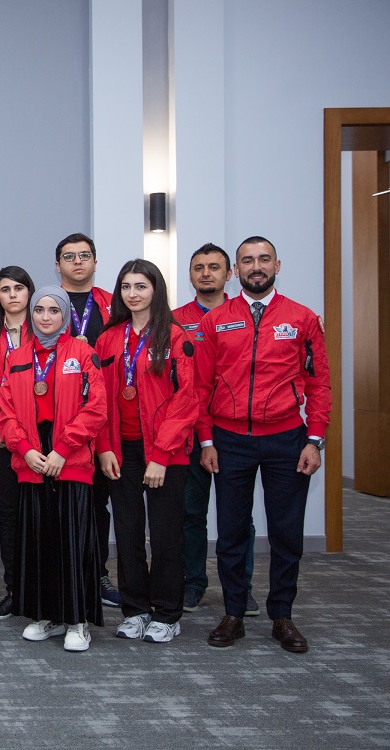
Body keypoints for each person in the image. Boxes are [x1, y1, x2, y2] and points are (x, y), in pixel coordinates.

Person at [197, 237, 331, 653]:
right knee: (232, 531)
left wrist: (315, 440)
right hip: (230, 439)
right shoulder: (216, 320)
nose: (256, 267)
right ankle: (234, 613)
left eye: (264, 259)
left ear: (277, 265)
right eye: (247, 261)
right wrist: (205, 440)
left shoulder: (302, 318)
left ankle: (282, 616)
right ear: (235, 271)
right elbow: (199, 387)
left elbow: (319, 383)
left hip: (287, 439)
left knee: (285, 532)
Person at [0, 286, 107, 652]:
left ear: (64, 315)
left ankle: (77, 621)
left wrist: (62, 449)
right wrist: (25, 449)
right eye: (40, 310)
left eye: (53, 311)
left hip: (69, 457)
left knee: (71, 542)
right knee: (38, 540)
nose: (46, 317)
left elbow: (96, 408)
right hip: (32, 459)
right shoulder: (16, 357)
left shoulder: (83, 353)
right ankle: (44, 615)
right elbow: (6, 412)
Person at [95, 260, 198, 643]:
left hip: (165, 453)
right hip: (121, 450)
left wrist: (162, 455)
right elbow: (100, 400)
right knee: (128, 533)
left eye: (141, 285)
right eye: (125, 286)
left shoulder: (174, 337)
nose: (133, 293)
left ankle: (168, 613)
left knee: (167, 534)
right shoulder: (109, 339)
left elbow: (186, 401)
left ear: (156, 290)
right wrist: (104, 448)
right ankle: (136, 609)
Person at [172, 243, 258, 616]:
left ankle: (240, 587)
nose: (206, 273)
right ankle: (193, 582)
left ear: (230, 273)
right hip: (187, 432)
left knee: (238, 515)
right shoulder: (173, 319)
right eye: (198, 267)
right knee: (191, 511)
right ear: (190, 274)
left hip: (230, 430)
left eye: (214, 267)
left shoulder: (250, 316)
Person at [55, 232, 120, 608]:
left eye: (84, 255)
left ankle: (97, 574)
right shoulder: (46, 305)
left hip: (103, 418)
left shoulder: (115, 306)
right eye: (69, 256)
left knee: (98, 504)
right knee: (58, 504)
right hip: (58, 421)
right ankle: (62, 572)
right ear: (58, 264)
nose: (77, 262)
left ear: (95, 262)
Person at [0, 265, 34, 620]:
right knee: (9, 518)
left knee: (41, 518)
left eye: (18, 288)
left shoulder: (47, 329)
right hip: (0, 442)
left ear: (29, 292)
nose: (12, 295)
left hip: (39, 442)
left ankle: (41, 591)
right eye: (5, 289)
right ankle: (14, 590)